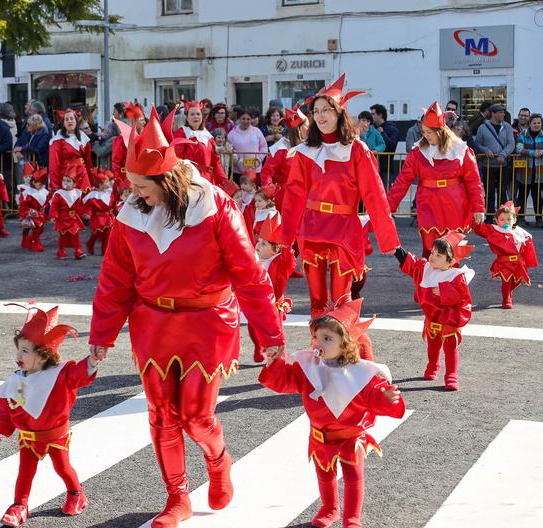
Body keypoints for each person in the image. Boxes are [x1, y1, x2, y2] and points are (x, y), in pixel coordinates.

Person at [88, 109, 285, 528]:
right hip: (153, 324)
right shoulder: (130, 215)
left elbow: (249, 275)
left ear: (166, 179)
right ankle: (176, 498)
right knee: (161, 414)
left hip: (208, 320)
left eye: (142, 185)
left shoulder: (215, 206)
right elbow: (115, 281)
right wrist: (101, 335)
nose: (135, 193)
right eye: (131, 185)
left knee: (196, 415)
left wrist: (269, 334)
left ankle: (218, 459)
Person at [260, 298, 406, 528]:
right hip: (320, 436)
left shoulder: (362, 373)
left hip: (351, 438)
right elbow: (284, 381)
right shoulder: (307, 365)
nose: (318, 342)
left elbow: (374, 395)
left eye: (327, 338)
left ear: (346, 344)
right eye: (317, 336)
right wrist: (275, 362)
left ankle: (352, 518)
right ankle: (330, 509)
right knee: (325, 476)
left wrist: (386, 399)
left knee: (353, 478)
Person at [279, 74, 400, 317]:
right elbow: (293, 196)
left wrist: (388, 239)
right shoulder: (305, 151)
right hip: (312, 229)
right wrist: (285, 239)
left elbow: (374, 194)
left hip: (344, 230)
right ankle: (319, 351)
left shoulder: (356, 149)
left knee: (342, 300)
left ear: (339, 113)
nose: (321, 115)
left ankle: (343, 352)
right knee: (317, 303)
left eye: (326, 110)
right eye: (316, 111)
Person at [0, 305, 97, 527]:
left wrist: (92, 361)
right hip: (29, 437)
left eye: (25, 351)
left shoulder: (59, 374)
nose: (18, 355)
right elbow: (8, 405)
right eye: (19, 349)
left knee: (63, 469)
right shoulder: (18, 379)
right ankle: (19, 506)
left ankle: (77, 494)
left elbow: (78, 374)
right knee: (25, 473)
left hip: (56, 435)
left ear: (43, 355)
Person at [386, 102, 485, 258]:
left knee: (452, 248)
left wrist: (478, 207)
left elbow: (473, 180)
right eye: (423, 132)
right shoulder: (418, 152)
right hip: (428, 203)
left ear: (441, 131)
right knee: (430, 246)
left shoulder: (461, 150)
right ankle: (429, 281)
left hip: (455, 203)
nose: (426, 136)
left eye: (429, 132)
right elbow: (402, 180)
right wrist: (388, 207)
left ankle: (451, 281)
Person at [394, 231, 474, 390]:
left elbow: (462, 296)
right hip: (432, 319)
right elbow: (412, 263)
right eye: (432, 252)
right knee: (433, 346)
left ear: (450, 260)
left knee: (450, 349)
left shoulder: (457, 276)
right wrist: (397, 250)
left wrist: (444, 291)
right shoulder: (426, 268)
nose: (432, 257)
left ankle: (451, 375)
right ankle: (432, 367)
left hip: (449, 320)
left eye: (438, 255)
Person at [471, 202, 538, 308]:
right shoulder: (494, 230)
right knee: (506, 280)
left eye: (508, 219)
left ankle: (509, 295)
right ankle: (506, 299)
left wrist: (529, 262)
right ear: (497, 221)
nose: (505, 222)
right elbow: (481, 231)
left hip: (518, 262)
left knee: (516, 281)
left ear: (514, 220)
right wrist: (477, 222)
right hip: (504, 262)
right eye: (502, 220)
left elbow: (529, 249)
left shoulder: (522, 233)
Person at [248, 214, 296, 362]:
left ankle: (279, 356)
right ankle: (258, 346)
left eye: (263, 244)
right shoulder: (254, 259)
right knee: (252, 329)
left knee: (276, 332)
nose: (257, 246)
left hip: (274, 304)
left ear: (275, 249)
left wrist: (287, 247)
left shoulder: (279, 262)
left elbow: (289, 261)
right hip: (255, 303)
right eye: (258, 242)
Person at [259, 106, 308, 212]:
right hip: (286, 196)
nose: (308, 130)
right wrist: (269, 193)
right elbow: (266, 172)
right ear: (299, 130)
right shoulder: (281, 148)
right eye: (306, 127)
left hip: (304, 194)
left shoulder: (306, 145)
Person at [173, 100, 228, 185]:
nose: (196, 117)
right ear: (187, 118)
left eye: (198, 114)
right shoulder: (182, 133)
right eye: (192, 114)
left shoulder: (207, 136)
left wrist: (224, 182)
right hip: (192, 179)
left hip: (209, 180)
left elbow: (215, 162)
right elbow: (178, 159)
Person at [514, 113, 543, 228]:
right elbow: (519, 149)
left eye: (538, 123)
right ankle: (521, 218)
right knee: (522, 195)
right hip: (525, 170)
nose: (537, 125)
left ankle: (538, 218)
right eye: (534, 123)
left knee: (537, 196)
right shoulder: (522, 134)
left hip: (540, 171)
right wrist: (532, 153)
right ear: (530, 123)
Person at [473, 104, 515, 214]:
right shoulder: (482, 128)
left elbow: (511, 144)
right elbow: (477, 144)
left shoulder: (507, 127)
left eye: (503, 112)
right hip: (488, 165)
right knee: (490, 192)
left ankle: (504, 216)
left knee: (502, 192)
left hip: (503, 165)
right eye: (500, 112)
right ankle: (490, 215)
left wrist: (503, 155)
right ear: (493, 114)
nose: (503, 114)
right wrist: (485, 150)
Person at [49, 108, 94, 192]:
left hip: (82, 175)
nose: (69, 121)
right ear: (63, 123)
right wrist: (54, 184)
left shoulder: (83, 137)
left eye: (71, 119)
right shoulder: (58, 140)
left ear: (76, 121)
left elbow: (88, 161)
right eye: (66, 119)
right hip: (66, 175)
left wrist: (92, 180)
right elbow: (54, 164)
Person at [49, 167, 87, 260]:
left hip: (73, 218)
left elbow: (79, 206)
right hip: (63, 217)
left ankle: (78, 251)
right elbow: (54, 206)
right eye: (64, 180)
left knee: (76, 234)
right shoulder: (59, 194)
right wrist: (53, 216)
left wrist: (82, 214)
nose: (65, 183)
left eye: (69, 181)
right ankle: (61, 251)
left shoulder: (77, 193)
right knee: (63, 235)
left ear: (74, 184)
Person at [228, 108, 268, 181]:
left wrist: (259, 159)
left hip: (255, 169)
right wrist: (236, 158)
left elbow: (264, 146)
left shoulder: (257, 131)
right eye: (243, 119)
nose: (246, 121)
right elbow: (229, 148)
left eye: (248, 119)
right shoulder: (232, 134)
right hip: (238, 171)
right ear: (239, 119)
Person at [82, 169, 115, 256]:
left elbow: (113, 204)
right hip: (98, 218)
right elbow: (89, 206)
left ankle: (105, 251)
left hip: (108, 217)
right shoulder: (93, 196)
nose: (109, 184)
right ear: (100, 184)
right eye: (107, 182)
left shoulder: (109, 193)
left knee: (107, 235)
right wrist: (88, 213)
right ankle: (90, 243)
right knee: (97, 233)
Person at [18, 166, 50, 252]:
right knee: (33, 228)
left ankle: (28, 240)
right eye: (40, 184)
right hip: (32, 213)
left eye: (43, 185)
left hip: (40, 213)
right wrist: (26, 212)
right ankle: (34, 242)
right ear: (34, 182)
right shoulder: (28, 192)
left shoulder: (43, 190)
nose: (42, 186)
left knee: (41, 229)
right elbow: (24, 204)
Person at [370, 104, 399, 185]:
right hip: (373, 166)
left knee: (386, 191)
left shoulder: (391, 128)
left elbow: (392, 145)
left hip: (385, 167)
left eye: (373, 114)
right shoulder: (372, 129)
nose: (371, 116)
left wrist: (382, 133)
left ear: (380, 115)